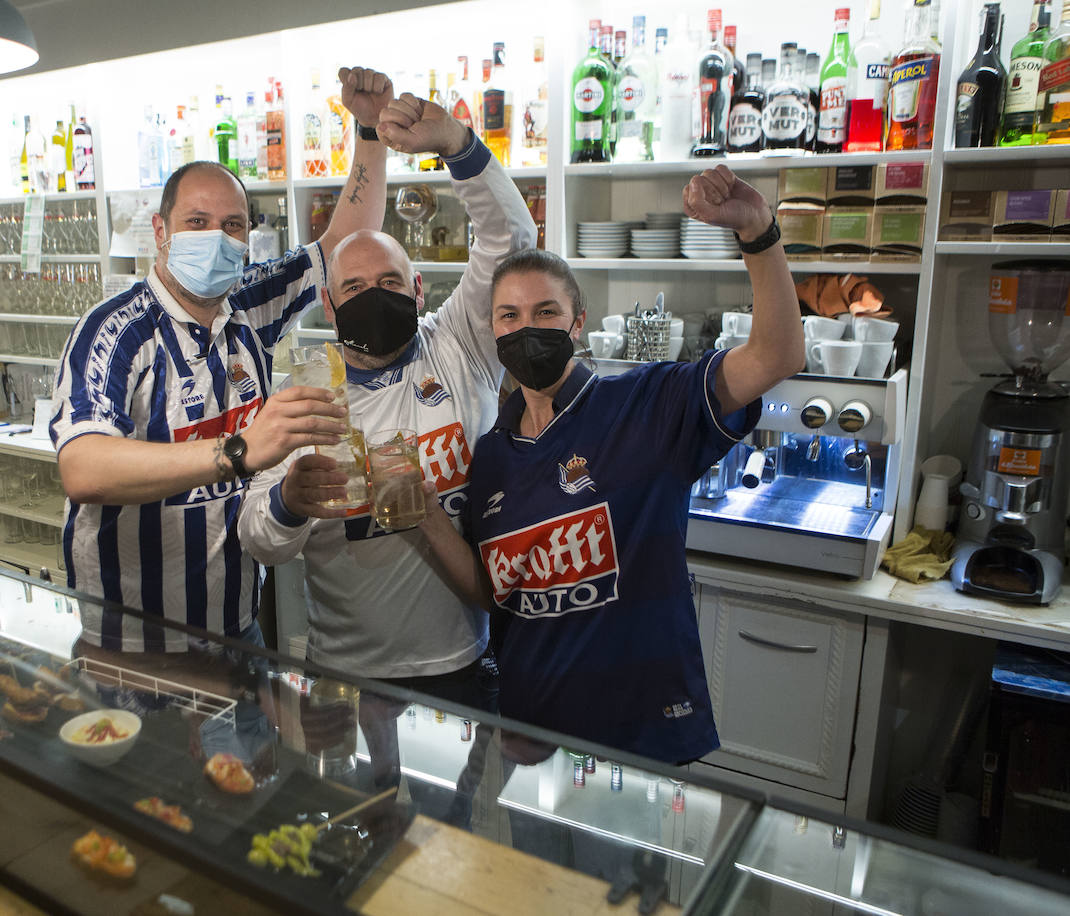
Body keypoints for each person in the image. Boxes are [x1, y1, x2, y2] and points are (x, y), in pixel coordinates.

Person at [418, 165, 804, 765]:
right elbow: (493, 594)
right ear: (492, 330)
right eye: (509, 317)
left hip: (641, 740)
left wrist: (758, 232)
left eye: (546, 313)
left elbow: (777, 355)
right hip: (532, 738)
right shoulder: (492, 456)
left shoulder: (645, 407)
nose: (526, 330)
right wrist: (419, 511)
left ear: (578, 322)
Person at [50, 67, 394, 653]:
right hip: (132, 646)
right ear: (161, 231)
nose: (218, 238)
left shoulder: (249, 310)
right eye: (197, 223)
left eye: (232, 225)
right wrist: (237, 451)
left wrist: (368, 131)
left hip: (237, 631)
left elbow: (342, 244)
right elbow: (82, 468)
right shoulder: (117, 331)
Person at [237, 91, 536, 713]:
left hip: (463, 661)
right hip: (345, 673)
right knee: (356, 814)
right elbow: (260, 541)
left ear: (419, 288)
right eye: (355, 287)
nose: (375, 296)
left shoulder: (459, 346)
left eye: (391, 283)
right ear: (329, 302)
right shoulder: (303, 396)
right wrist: (290, 501)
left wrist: (458, 144)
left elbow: (510, 238)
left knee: (456, 816)